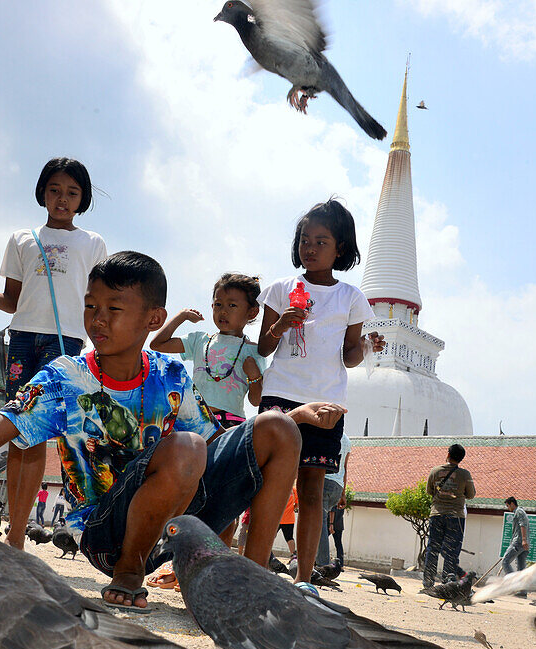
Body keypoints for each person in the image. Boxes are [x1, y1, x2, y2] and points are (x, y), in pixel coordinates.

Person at [0, 252, 341, 612]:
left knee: (274, 428)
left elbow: (212, 452)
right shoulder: (64, 379)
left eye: (114, 309)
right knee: (191, 445)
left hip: (173, 516)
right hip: (106, 531)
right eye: (92, 306)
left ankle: (254, 579)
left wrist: (290, 418)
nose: (97, 320)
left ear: (153, 319)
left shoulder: (170, 375)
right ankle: (129, 572)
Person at [0, 157, 107, 550]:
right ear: (42, 193)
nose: (62, 199)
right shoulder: (22, 238)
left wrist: (104, 345)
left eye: (72, 192)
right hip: (21, 338)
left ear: (82, 198)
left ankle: (17, 536)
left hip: (64, 341)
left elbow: (99, 302)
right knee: (16, 432)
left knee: (38, 433)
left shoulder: (93, 244)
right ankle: (12, 530)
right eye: (54, 190)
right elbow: (10, 301)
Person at [257, 198, 384, 589]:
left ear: (340, 249)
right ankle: (256, 567)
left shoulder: (351, 298)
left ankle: (305, 577)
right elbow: (262, 347)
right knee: (268, 487)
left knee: (311, 492)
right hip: (280, 394)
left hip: (327, 401)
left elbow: (348, 357)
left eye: (321, 241)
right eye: (305, 240)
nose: (310, 249)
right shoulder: (280, 289)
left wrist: (366, 345)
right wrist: (281, 325)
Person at [150, 272, 265, 428]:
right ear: (212, 306)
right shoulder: (199, 340)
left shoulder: (253, 351)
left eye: (232, 305)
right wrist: (181, 316)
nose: (223, 311)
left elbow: (256, 400)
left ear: (252, 312)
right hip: (193, 419)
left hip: (231, 424)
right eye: (218, 304)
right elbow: (157, 344)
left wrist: (254, 376)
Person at [420, 443, 475, 588]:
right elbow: (471, 495)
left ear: (448, 454)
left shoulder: (435, 471)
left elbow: (429, 491)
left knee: (433, 548)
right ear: (461, 458)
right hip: (456, 517)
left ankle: (428, 580)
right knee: (451, 551)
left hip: (437, 514)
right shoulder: (465, 475)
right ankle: (447, 582)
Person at [316, 433, 351, 567]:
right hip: (337, 487)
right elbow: (345, 468)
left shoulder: (327, 434)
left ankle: (323, 564)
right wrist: (343, 494)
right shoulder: (347, 440)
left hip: (324, 481)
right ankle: (315, 561)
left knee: (318, 525)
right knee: (320, 524)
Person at [501, 495, 530, 592]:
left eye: (508, 506)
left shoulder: (519, 512)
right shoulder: (520, 511)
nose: (508, 508)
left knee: (505, 562)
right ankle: (522, 591)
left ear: (512, 504)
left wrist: (524, 539)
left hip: (518, 542)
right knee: (521, 568)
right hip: (522, 544)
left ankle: (514, 585)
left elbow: (523, 525)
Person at [277, 486, 298, 559]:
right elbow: (297, 504)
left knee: (270, 537)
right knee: (289, 538)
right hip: (289, 519)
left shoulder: (278, 488)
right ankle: (294, 556)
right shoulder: (294, 489)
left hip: (277, 518)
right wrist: (291, 509)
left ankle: (266, 555)